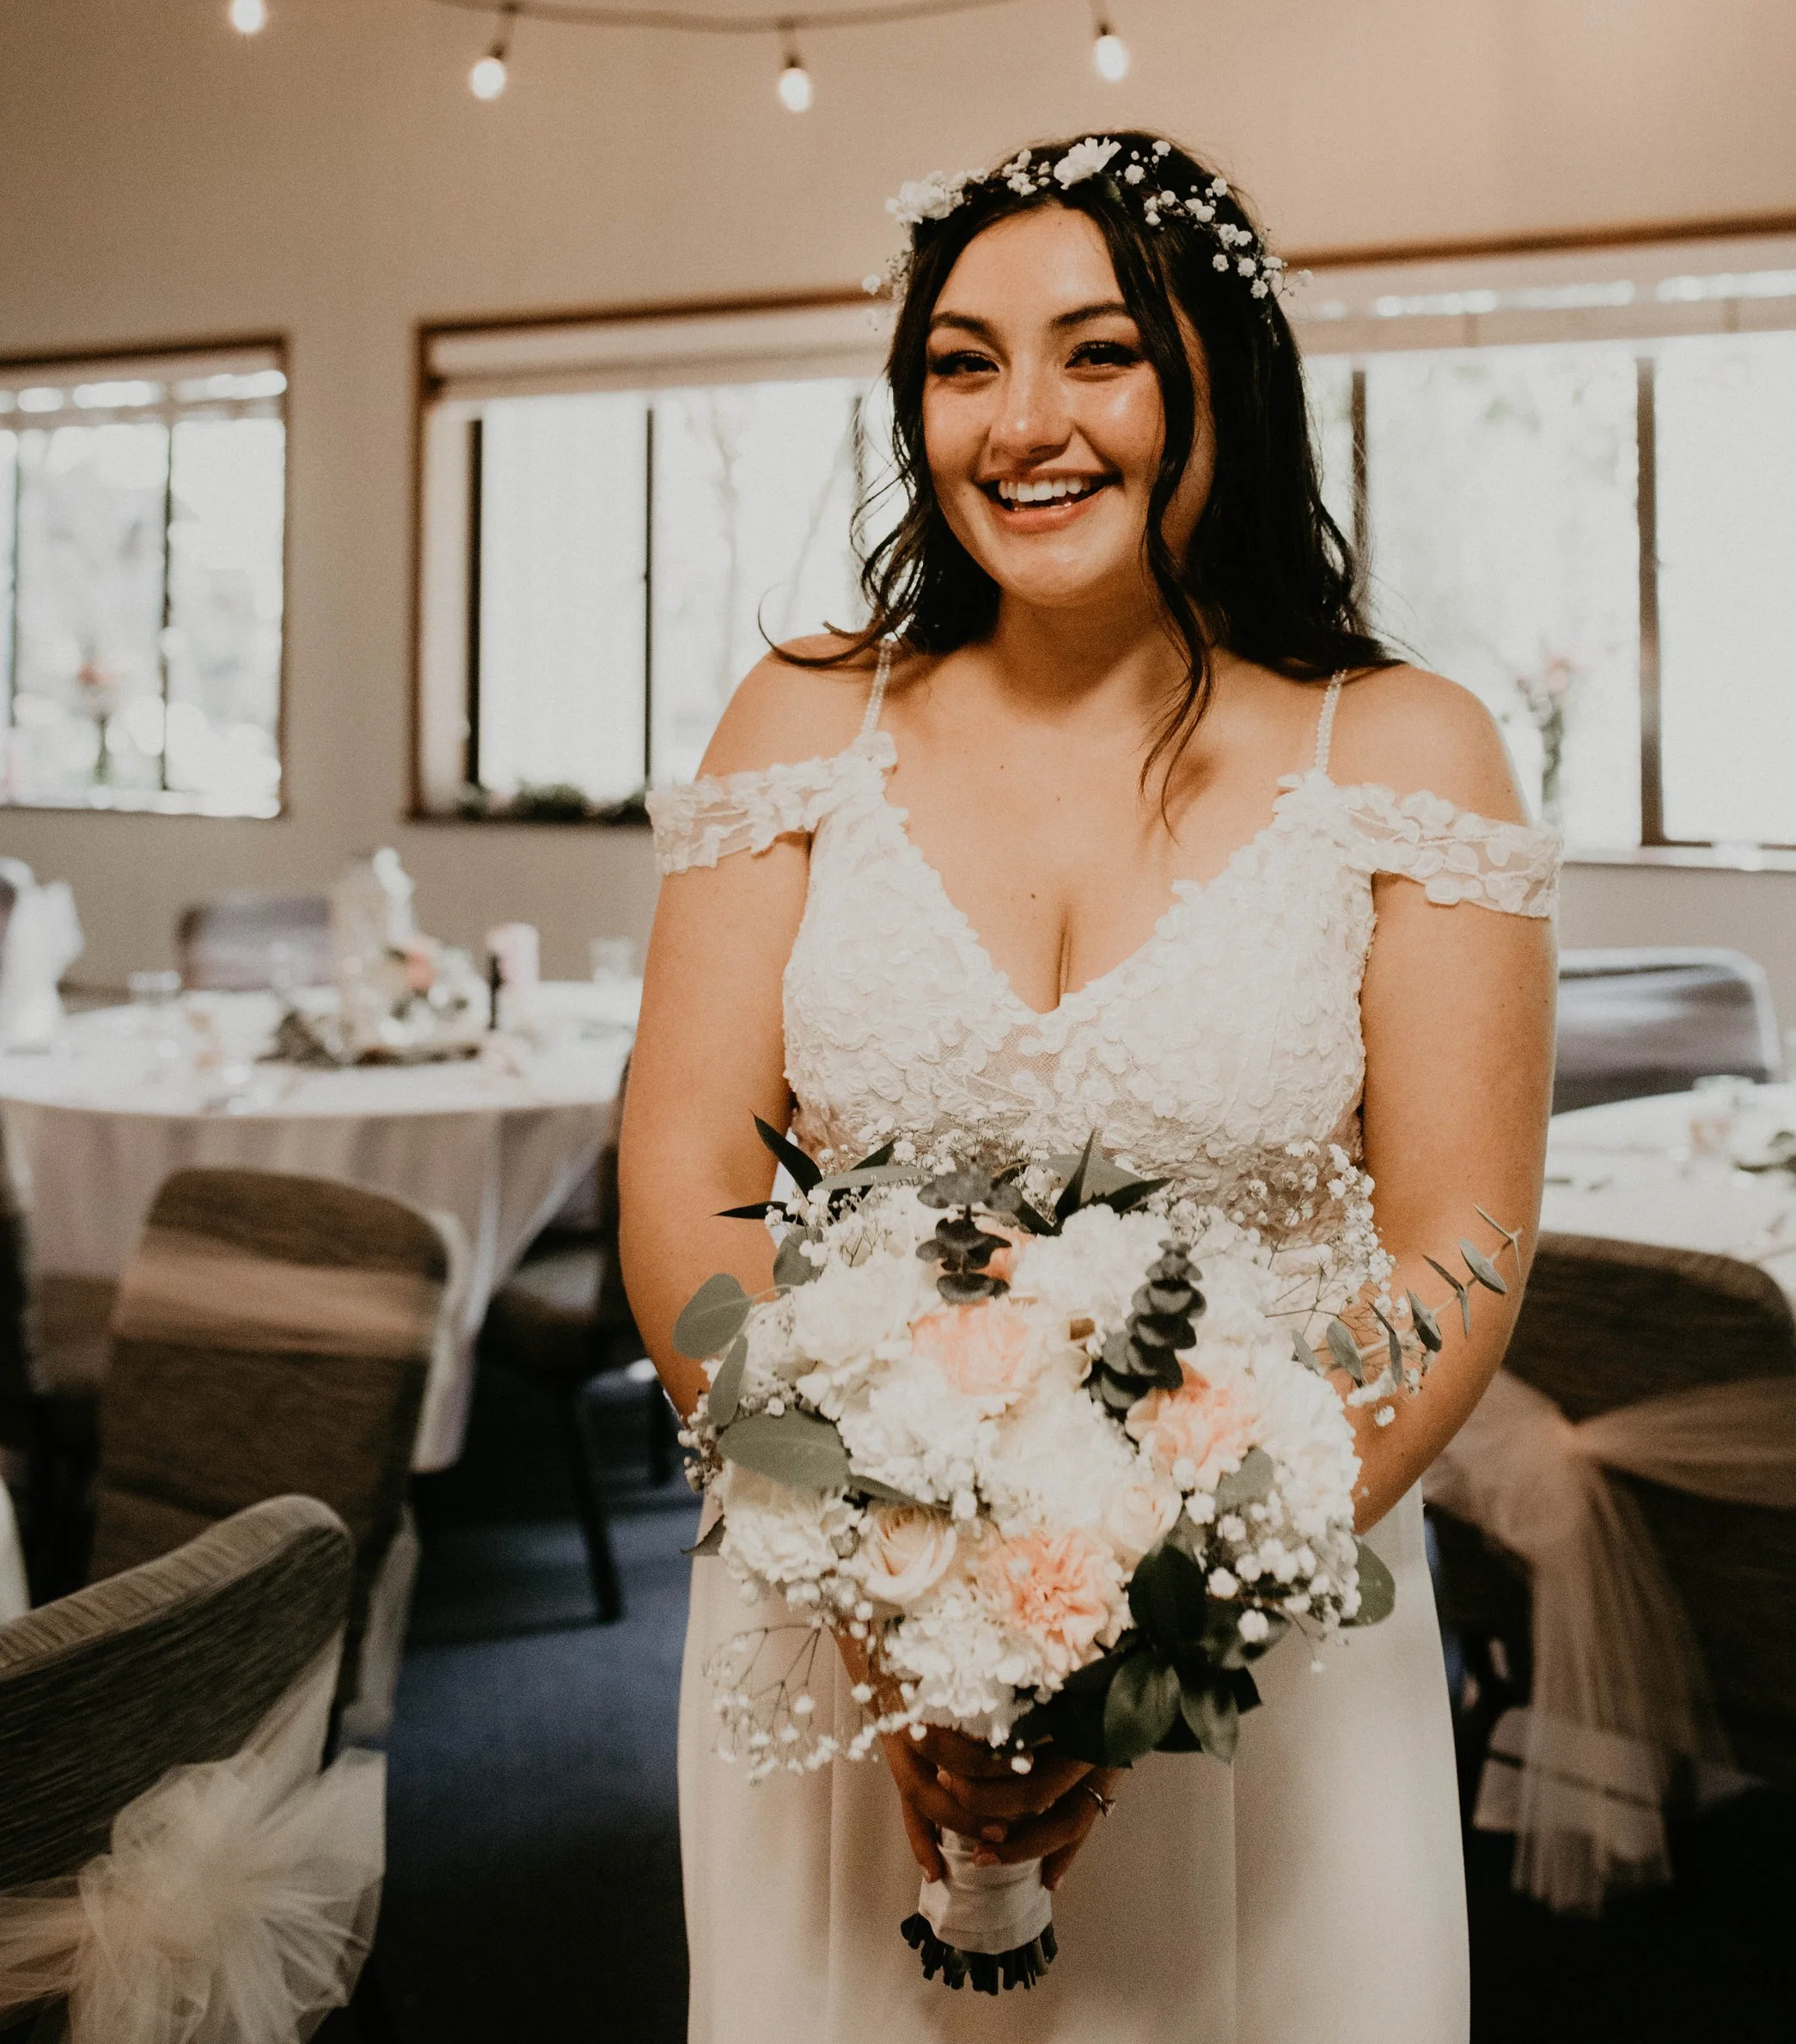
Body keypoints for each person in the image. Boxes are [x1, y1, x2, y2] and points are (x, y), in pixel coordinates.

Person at [620, 132, 1557, 2044]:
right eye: (960, 365)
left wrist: (1153, 1628)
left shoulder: (1403, 750)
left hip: (1260, 1654)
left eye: (1096, 353)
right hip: (844, 1639)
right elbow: (686, 1195)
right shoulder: (801, 718)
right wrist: (896, 1599)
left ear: (1222, 374)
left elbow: (1458, 1242)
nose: (1018, 422)